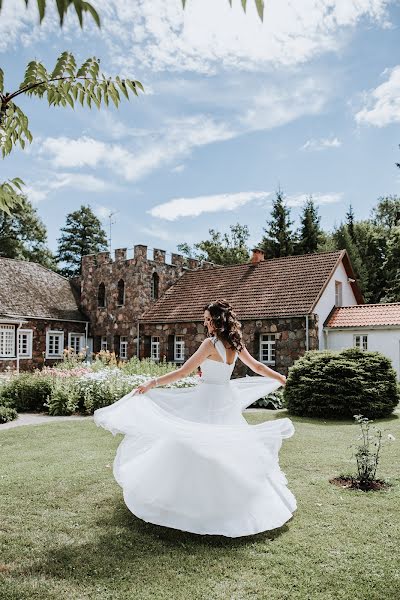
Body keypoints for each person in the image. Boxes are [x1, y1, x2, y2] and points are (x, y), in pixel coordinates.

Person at [94, 299, 297, 537]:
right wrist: (281, 378)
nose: (206, 324)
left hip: (207, 400)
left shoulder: (209, 344)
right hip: (224, 399)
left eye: (208, 320)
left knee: (189, 445)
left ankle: (187, 503)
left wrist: (153, 382)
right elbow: (258, 368)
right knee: (224, 448)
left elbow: (183, 371)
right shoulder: (235, 344)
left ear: (216, 321)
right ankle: (227, 501)